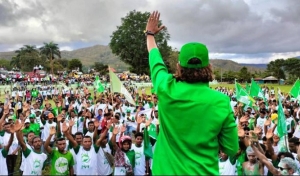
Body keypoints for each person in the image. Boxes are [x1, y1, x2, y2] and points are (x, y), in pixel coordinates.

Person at [145, 11, 238, 175]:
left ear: (179, 66)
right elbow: (231, 149)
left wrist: (150, 34)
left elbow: (156, 61)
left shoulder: (166, 88)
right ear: (209, 67)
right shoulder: (222, 102)